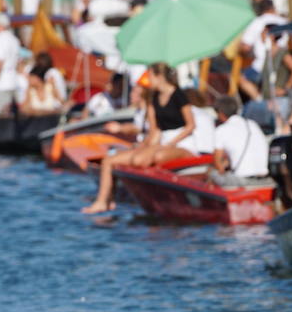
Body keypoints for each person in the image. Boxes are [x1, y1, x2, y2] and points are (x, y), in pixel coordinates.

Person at [82, 65, 204, 213]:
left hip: (183, 144)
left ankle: (153, 199)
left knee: (149, 158)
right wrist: (141, 148)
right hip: (163, 142)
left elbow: (191, 126)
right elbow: (155, 132)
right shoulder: (154, 100)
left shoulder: (179, 96)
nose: (149, 79)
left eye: (151, 75)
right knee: (111, 160)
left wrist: (171, 143)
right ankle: (104, 201)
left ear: (160, 77)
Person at [209, 96, 269, 185]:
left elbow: (218, 165)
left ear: (221, 114)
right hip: (263, 177)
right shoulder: (252, 124)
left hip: (242, 180)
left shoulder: (221, 130)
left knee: (211, 173)